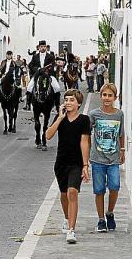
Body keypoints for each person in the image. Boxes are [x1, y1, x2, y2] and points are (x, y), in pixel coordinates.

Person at [46, 89, 91, 244]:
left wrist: (85, 164)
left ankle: (71, 230)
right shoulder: (60, 118)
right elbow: (48, 135)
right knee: (64, 194)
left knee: (73, 192)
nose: (68, 102)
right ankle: (66, 218)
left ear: (78, 103)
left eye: (72, 100)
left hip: (76, 163)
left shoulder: (84, 120)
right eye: (66, 99)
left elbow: (84, 142)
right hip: (61, 163)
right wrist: (59, 118)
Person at [89, 83, 125, 232]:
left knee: (115, 186)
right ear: (100, 96)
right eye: (104, 95)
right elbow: (85, 133)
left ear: (115, 98)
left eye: (110, 95)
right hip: (97, 158)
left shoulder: (119, 114)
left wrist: (122, 150)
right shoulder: (94, 114)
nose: (107, 98)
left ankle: (110, 212)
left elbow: (121, 134)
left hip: (113, 158)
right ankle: (101, 219)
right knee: (99, 190)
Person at [24, 40, 61, 111]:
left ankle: (57, 105)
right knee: (29, 87)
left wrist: (46, 70)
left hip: (48, 75)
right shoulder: (35, 56)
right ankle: (28, 104)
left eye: (44, 46)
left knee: (57, 87)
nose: (43, 48)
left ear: (46, 47)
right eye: (41, 46)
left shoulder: (51, 56)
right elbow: (31, 65)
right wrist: (37, 69)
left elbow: (53, 65)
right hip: (37, 75)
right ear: (39, 47)